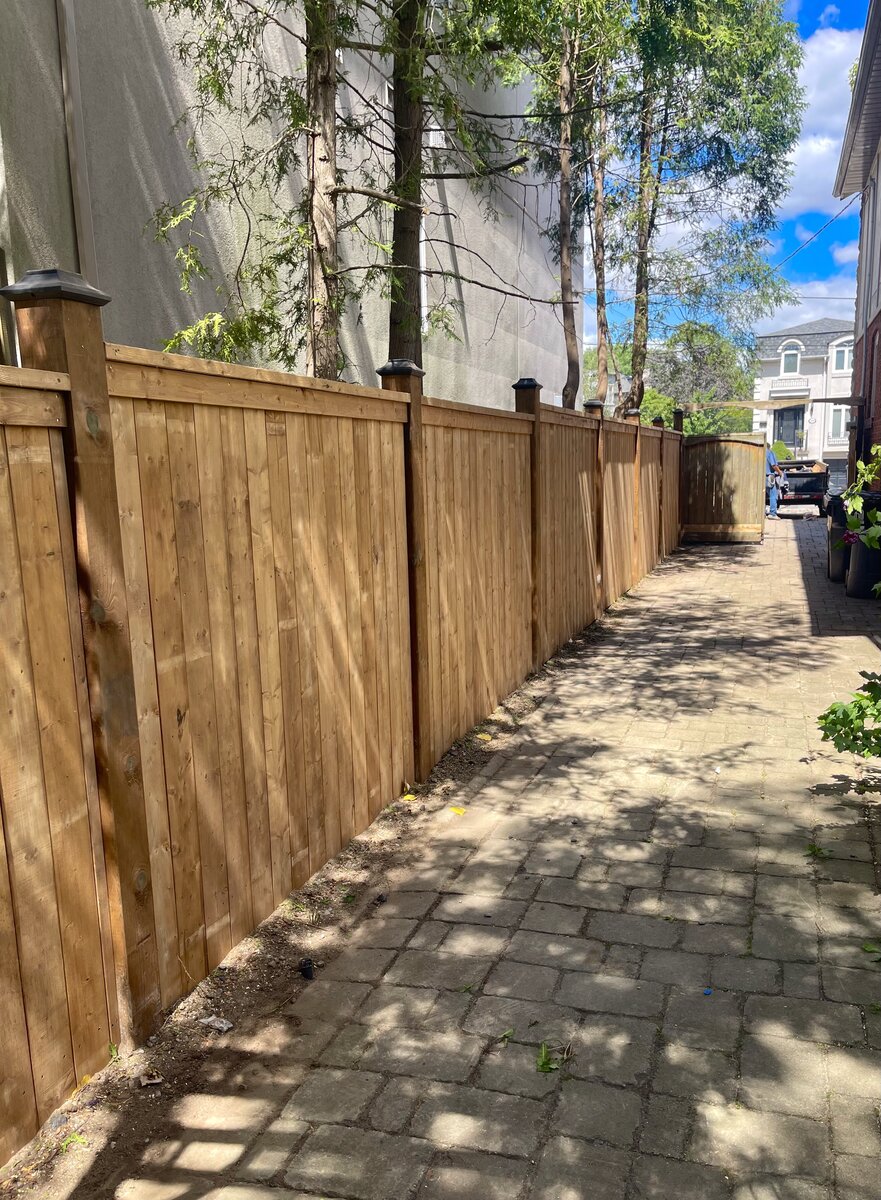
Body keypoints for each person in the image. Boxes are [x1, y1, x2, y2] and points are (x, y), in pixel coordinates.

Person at [766, 444, 783, 519]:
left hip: (761, 477)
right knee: (773, 495)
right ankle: (772, 513)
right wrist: (780, 472)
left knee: (762, 496)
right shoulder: (769, 452)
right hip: (769, 476)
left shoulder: (760, 452)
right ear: (769, 447)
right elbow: (773, 465)